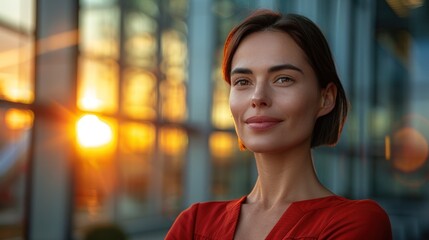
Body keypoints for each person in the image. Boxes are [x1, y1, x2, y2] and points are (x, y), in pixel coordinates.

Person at [166, 9, 392, 240]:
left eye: (283, 79)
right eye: (243, 81)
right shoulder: (194, 223)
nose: (258, 97)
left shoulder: (356, 222)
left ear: (326, 98)